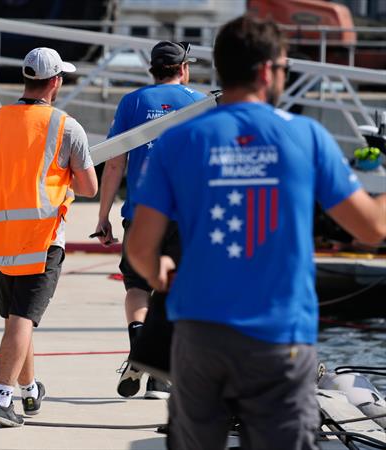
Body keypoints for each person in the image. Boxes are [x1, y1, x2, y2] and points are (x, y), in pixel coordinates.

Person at [127, 15, 386, 450]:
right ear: (268, 70)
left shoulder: (179, 141)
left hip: (200, 339)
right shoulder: (306, 136)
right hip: (279, 340)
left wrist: (159, 272)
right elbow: (372, 229)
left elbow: (139, 247)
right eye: (285, 69)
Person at [0, 47, 98, 427]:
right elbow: (90, 187)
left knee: (18, 318)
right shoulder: (66, 126)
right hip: (42, 239)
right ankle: (1, 399)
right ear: (56, 81)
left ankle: (29, 392)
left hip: (0, 239)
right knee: (22, 319)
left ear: (27, 79)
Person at [94, 41, 205, 400]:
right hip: (185, 214)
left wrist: (104, 214)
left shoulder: (133, 102)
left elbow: (114, 162)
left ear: (152, 70)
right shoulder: (201, 102)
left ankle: (140, 343)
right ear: (183, 68)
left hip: (141, 211)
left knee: (137, 286)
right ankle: (161, 378)